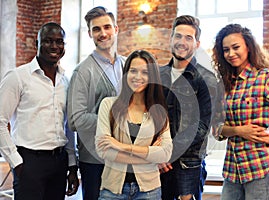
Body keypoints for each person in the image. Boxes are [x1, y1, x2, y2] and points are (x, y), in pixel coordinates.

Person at [212, 23, 269, 200]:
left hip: (260, 165)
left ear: (248, 47)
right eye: (226, 50)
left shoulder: (265, 78)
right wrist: (238, 130)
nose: (230, 54)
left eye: (236, 47)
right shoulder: (225, 83)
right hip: (232, 167)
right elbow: (216, 129)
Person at [0, 22, 79, 200]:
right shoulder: (18, 77)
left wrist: (72, 165)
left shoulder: (65, 82)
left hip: (59, 162)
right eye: (48, 41)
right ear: (37, 44)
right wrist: (16, 162)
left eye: (59, 42)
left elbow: (67, 126)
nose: (54, 46)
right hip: (29, 162)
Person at [95, 49, 173, 200]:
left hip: (149, 190)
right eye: (133, 71)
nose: (138, 77)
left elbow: (165, 153)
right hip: (113, 190)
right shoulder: (108, 105)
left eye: (145, 72)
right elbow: (103, 150)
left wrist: (120, 146)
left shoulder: (158, 111)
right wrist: (150, 156)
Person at [67, 6, 126, 200]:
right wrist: (112, 118)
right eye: (96, 29)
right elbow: (75, 119)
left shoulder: (128, 65)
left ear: (116, 29)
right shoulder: (82, 72)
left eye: (107, 27)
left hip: (126, 157)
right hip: (95, 160)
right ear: (90, 34)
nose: (103, 33)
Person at [159, 15, 213, 200]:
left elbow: (202, 127)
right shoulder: (158, 75)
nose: (182, 42)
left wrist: (168, 152)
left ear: (197, 44)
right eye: (178, 36)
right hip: (157, 162)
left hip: (189, 164)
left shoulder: (206, 79)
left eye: (188, 38)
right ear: (171, 39)